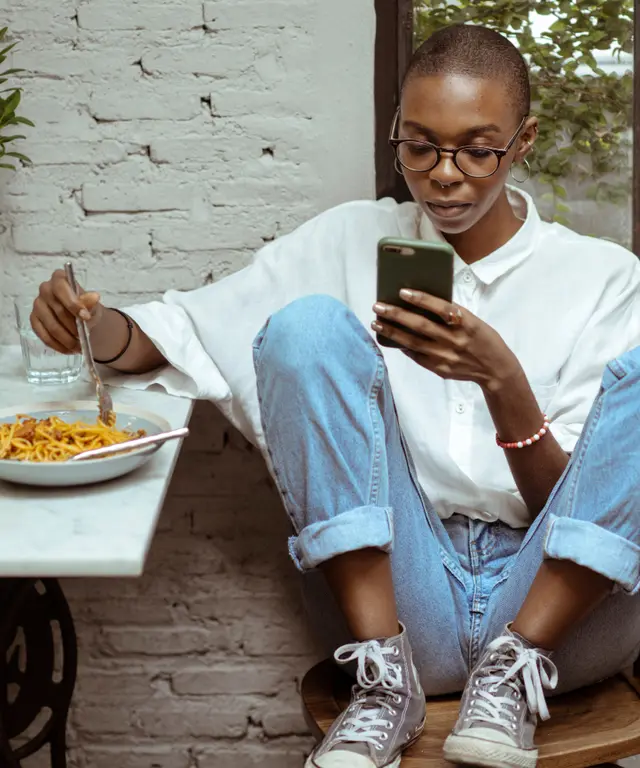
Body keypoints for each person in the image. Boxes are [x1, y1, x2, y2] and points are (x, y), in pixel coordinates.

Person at [31, 23, 640, 768]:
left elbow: (587, 515)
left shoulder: (603, 279)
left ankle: (512, 673)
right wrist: (95, 327)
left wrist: (502, 384)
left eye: (477, 149)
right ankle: (385, 687)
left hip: (561, 616)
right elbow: (189, 326)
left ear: (524, 142)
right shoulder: (349, 240)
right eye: (419, 146)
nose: (444, 174)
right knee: (305, 326)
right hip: (404, 607)